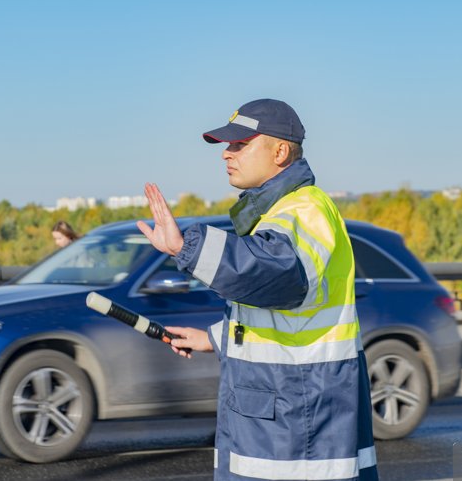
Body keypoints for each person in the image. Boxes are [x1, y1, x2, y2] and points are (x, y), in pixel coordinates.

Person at [138, 99, 378, 481]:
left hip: (298, 422)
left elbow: (277, 275)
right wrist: (214, 339)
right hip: (283, 415)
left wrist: (186, 247)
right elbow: (285, 314)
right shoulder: (275, 213)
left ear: (280, 151)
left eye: (240, 144)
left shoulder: (305, 210)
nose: (226, 155)